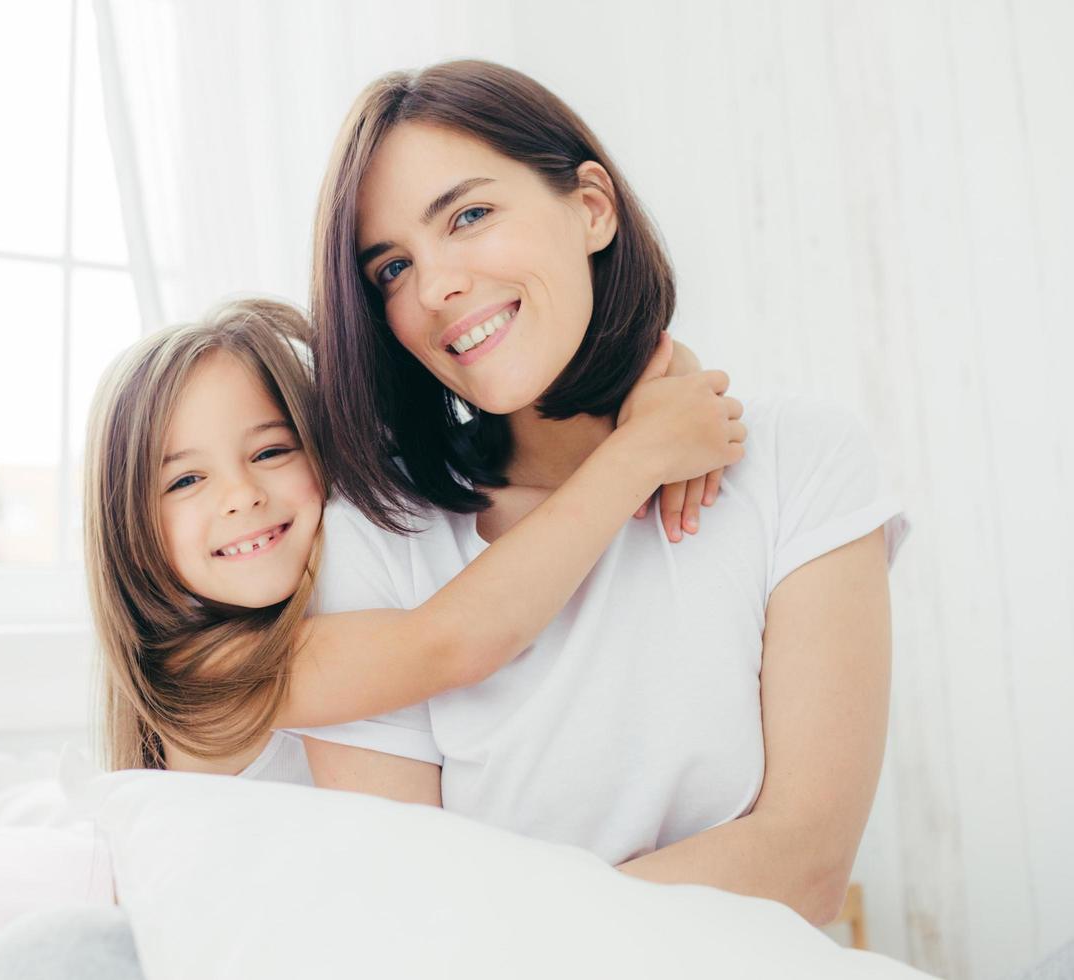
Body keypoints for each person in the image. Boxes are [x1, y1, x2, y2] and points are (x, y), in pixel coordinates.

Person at [292, 60, 909, 927]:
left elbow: (804, 859)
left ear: (591, 207)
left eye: (469, 216)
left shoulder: (798, 459)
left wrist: (515, 927)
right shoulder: (376, 535)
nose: (435, 290)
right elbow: (411, 917)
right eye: (392, 268)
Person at [82, 297, 741, 774]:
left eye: (271, 452)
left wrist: (667, 371)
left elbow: (448, 441)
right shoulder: (202, 674)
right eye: (184, 482)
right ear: (125, 526)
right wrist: (635, 457)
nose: (242, 496)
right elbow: (451, 643)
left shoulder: (340, 556)